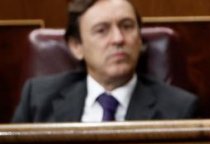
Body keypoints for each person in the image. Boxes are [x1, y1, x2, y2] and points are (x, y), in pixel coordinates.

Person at [12, 0, 199, 123]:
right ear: (77, 46)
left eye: (127, 26)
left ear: (140, 39)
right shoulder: (38, 98)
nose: (118, 39)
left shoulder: (178, 108)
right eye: (102, 30)